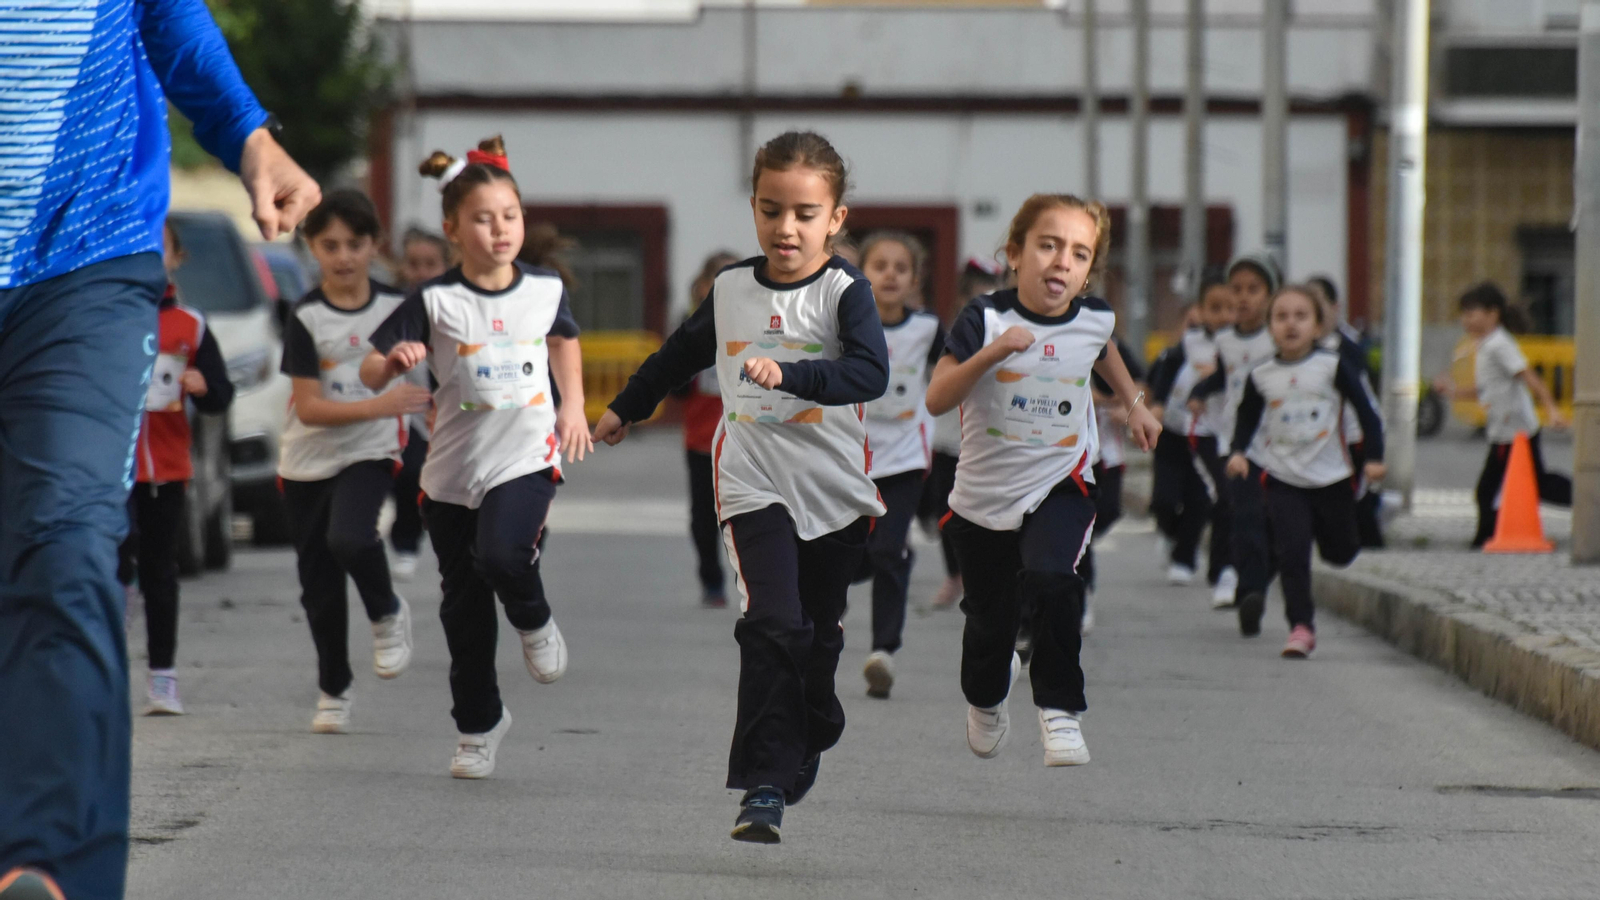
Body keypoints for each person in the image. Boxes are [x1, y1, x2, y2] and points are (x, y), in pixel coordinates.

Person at [0, 0, 319, 893]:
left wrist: (251, 139)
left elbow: (170, 19)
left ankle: (52, 866)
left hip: (83, 260)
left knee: (64, 546)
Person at [593, 131, 887, 844]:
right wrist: (624, 408)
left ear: (836, 218)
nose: (786, 227)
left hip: (835, 491)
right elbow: (675, 357)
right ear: (753, 207)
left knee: (814, 639)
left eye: (805, 213)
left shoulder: (845, 292)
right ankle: (763, 786)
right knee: (772, 626)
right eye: (770, 208)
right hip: (754, 482)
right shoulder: (730, 290)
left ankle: (817, 717)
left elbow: (869, 373)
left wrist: (793, 375)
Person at [363, 136, 592, 780]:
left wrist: (571, 407)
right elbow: (369, 368)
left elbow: (565, 342)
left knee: (502, 555)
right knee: (462, 609)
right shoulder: (434, 301)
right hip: (451, 474)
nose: (499, 230)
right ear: (452, 229)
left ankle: (534, 616)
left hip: (525, 456)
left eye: (510, 217)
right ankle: (479, 725)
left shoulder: (543, 289)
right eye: (483, 219)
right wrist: (392, 362)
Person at [926, 194, 1161, 769]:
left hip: (1061, 480)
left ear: (1086, 274)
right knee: (988, 626)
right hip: (983, 497)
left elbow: (1102, 349)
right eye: (1049, 245)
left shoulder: (1093, 318)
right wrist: (993, 352)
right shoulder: (985, 318)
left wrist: (1134, 405)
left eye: (1079, 254)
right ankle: (987, 697)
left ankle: (1059, 709)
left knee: (1056, 577)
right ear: (1015, 253)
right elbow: (937, 398)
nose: (1062, 261)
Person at [279, 190, 427, 734]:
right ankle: (333, 690)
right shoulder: (306, 316)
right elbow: (312, 408)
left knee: (351, 537)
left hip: (370, 449)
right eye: (330, 245)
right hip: (307, 458)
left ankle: (386, 610)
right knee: (318, 585)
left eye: (355, 244)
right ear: (312, 248)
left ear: (374, 246)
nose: (343, 256)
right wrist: (381, 403)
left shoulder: (398, 308)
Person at [1226, 285, 1385, 657]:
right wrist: (1238, 452)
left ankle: (1345, 539)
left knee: (1340, 551)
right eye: (1281, 317)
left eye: (1301, 316)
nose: (1291, 324)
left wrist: (1374, 456)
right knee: (1292, 553)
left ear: (1317, 326)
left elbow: (1367, 411)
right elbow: (1246, 418)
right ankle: (1301, 627)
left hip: (1332, 478)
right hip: (1284, 479)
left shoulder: (1332, 365)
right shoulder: (1262, 375)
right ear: (1270, 326)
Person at [117, 221, 236, 716]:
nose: (148, 253)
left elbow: (222, 397)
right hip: (111, 471)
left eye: (157, 245)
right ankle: (101, 670)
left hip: (167, 469)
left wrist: (202, 384)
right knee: (111, 569)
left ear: (176, 257)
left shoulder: (191, 325)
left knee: (160, 572)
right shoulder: (106, 318)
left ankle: (162, 677)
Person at [855, 231, 944, 699]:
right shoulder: (846, 326)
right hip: (850, 456)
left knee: (888, 549)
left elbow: (955, 371)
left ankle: (883, 652)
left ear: (914, 278)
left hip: (906, 459)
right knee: (851, 555)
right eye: (879, 265)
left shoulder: (928, 329)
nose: (890, 274)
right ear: (861, 274)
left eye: (900, 268)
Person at [1433, 282, 1571, 547]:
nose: (1466, 320)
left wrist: (1552, 410)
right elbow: (1486, 389)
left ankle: (1486, 537)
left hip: (1517, 432)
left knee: (1495, 489)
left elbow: (1530, 377)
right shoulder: (1484, 345)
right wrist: (1453, 392)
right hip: (1503, 431)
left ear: (1492, 314)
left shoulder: (1499, 345)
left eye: (1471, 313)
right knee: (1516, 485)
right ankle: (1490, 535)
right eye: (1464, 314)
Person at [1188, 253, 1281, 627]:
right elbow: (1224, 378)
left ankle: (1256, 581)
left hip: (1278, 443)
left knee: (1275, 522)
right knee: (1244, 517)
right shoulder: (1225, 341)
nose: (1243, 298)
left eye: (1253, 290)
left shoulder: (1277, 337)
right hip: (1235, 444)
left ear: (1270, 295)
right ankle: (1251, 591)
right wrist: (1199, 391)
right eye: (1237, 289)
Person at [920, 259, 1004, 611]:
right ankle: (955, 576)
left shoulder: (1009, 328)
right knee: (946, 513)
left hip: (990, 440)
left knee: (989, 514)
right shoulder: (951, 331)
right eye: (978, 290)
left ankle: (989, 579)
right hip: (949, 438)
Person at [1149, 277, 1239, 606]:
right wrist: (1156, 406)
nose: (1225, 316)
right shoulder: (1189, 343)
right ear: (1200, 311)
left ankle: (1196, 562)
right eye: (1216, 308)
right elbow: (1166, 372)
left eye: (1231, 308)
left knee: (1211, 500)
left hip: (1225, 435)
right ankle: (1171, 535)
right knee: (1165, 499)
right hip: (1183, 430)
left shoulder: (1244, 346)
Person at [672, 250, 741, 609]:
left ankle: (748, 578)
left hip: (745, 440)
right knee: (704, 516)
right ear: (701, 287)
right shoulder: (691, 330)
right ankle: (711, 580)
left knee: (743, 513)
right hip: (701, 440)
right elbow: (676, 387)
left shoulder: (754, 326)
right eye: (718, 277)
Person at [390, 228, 453, 579]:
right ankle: (405, 540)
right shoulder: (399, 311)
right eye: (414, 264)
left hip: (455, 410)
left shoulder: (458, 307)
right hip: (411, 410)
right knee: (411, 473)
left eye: (430, 264)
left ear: (446, 266)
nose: (421, 272)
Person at [1307, 277, 1385, 548]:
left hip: (1351, 436)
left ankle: (1371, 550)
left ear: (1334, 307)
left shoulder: (1347, 348)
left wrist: (1374, 451)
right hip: (1316, 438)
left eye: (1318, 305)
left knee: (1356, 504)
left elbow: (1365, 406)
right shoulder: (1298, 351)